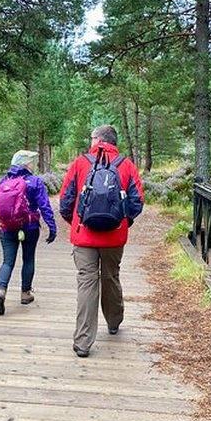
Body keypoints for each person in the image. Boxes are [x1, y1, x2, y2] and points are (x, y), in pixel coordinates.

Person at [58, 125, 144, 358]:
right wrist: (124, 222)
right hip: (115, 236)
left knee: (87, 282)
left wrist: (76, 222)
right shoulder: (126, 165)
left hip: (84, 236)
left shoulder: (80, 163)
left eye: (92, 138)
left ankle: (83, 342)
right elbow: (136, 202)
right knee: (111, 276)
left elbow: (65, 201)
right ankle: (114, 321)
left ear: (97, 140)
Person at [0, 150, 57, 315]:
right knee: (28, 259)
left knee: (7, 262)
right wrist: (51, 227)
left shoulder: (4, 181)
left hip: (7, 228)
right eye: (31, 162)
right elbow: (44, 206)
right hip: (29, 227)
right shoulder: (35, 181)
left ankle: (1, 291)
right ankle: (25, 293)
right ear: (26, 164)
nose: (33, 164)